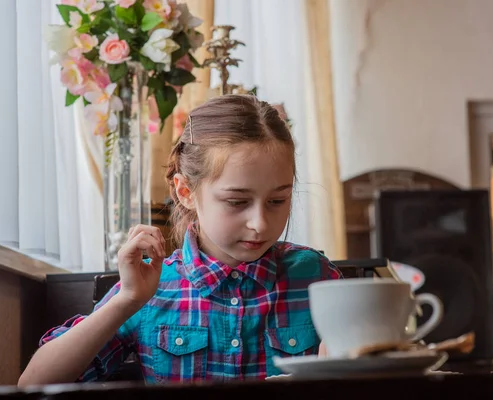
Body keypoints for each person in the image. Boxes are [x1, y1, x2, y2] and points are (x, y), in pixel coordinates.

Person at [18, 94, 343, 386]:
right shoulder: (152, 288)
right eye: (236, 202)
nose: (260, 224)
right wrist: (127, 299)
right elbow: (33, 384)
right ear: (185, 192)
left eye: (277, 201)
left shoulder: (315, 277)